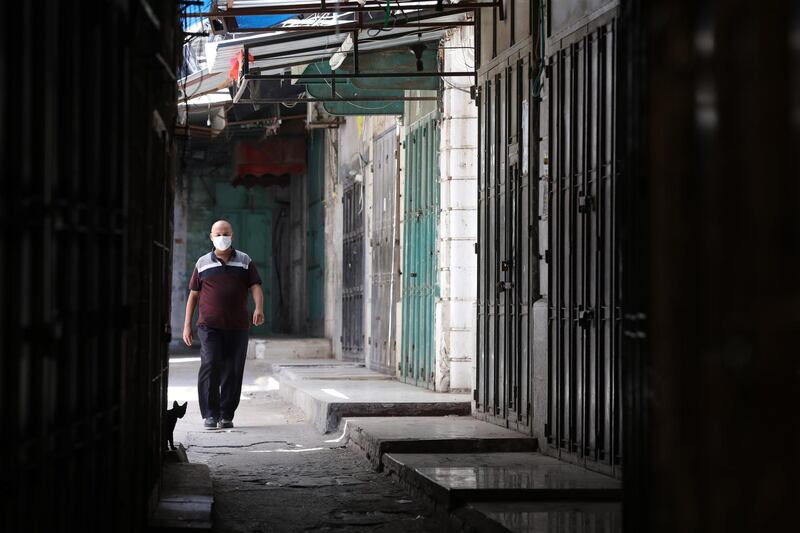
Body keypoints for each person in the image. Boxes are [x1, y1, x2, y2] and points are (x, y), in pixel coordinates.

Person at [183, 220, 265, 429]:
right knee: (211, 364)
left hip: (238, 326)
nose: (222, 238)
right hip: (209, 326)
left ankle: (226, 414)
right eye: (218, 234)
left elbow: (255, 285)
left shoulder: (245, 261)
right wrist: (187, 326)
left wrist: (258, 307)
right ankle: (210, 414)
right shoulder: (202, 263)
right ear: (211, 237)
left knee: (233, 369)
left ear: (232, 236)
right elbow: (193, 296)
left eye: (226, 233)